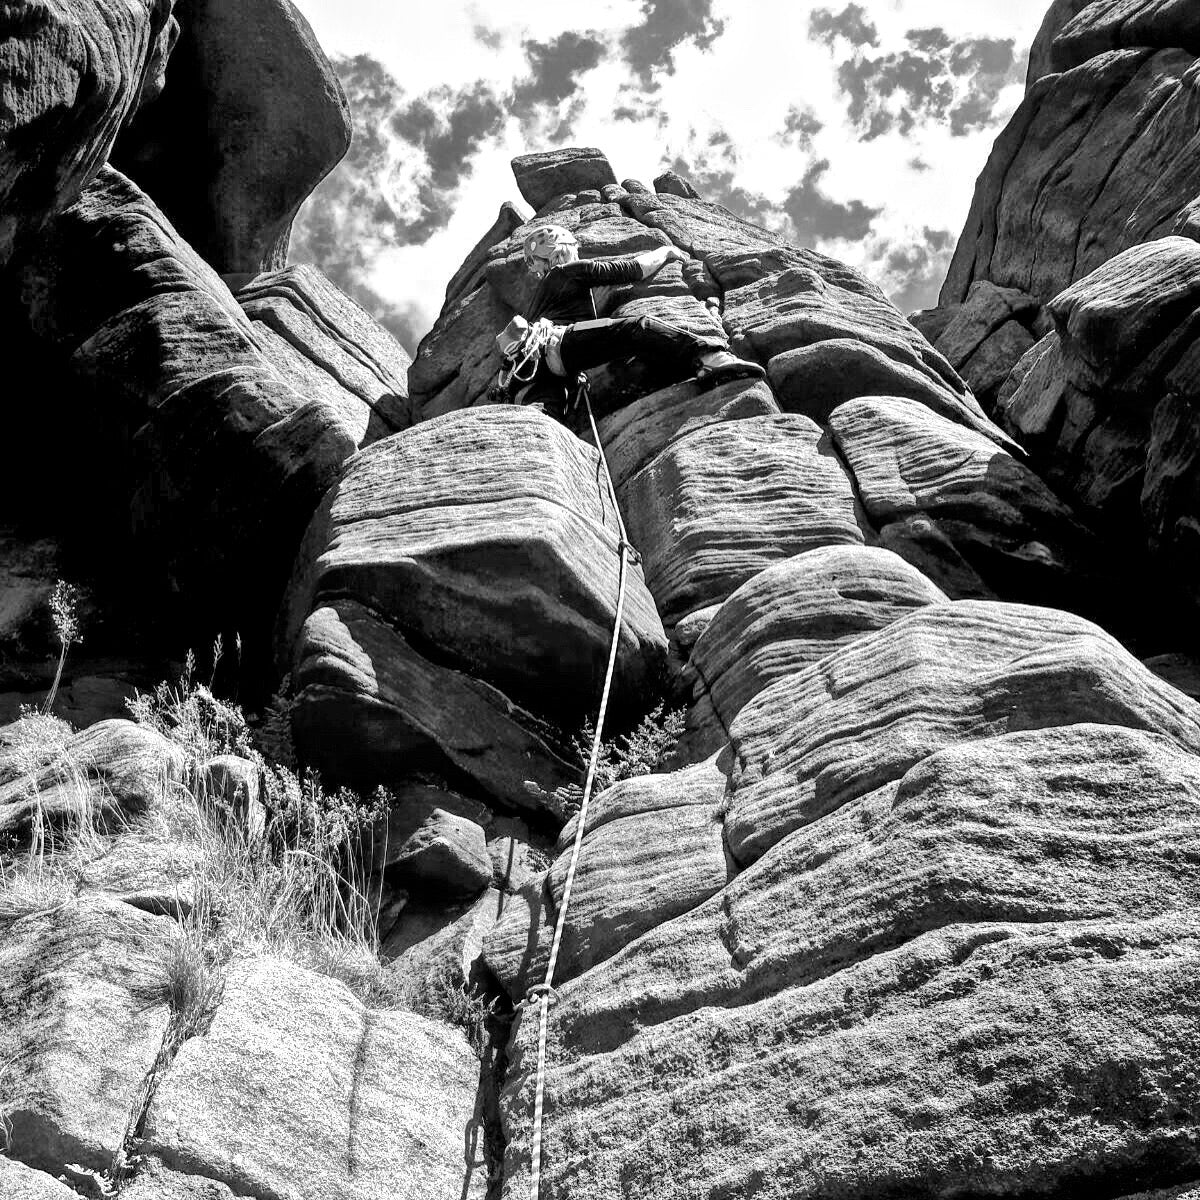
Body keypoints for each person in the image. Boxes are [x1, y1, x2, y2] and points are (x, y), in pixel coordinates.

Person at [495, 224, 765, 420]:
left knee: (544, 417)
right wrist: (666, 251)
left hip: (535, 371)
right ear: (561, 249)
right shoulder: (567, 271)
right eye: (574, 248)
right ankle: (710, 357)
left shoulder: (540, 298)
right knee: (637, 327)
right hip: (561, 344)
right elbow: (634, 269)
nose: (577, 253)